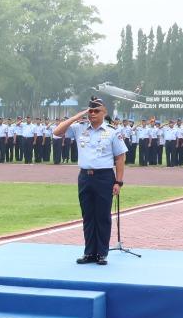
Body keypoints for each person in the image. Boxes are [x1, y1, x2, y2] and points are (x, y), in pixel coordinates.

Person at [52, 97, 127, 265]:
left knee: (102, 216)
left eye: (96, 111)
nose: (92, 114)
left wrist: (118, 182)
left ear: (104, 112)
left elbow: (120, 158)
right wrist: (76, 117)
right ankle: (89, 252)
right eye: (90, 111)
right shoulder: (79, 128)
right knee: (88, 216)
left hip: (104, 177)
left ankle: (101, 253)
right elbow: (56, 133)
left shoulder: (112, 131)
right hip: (85, 177)